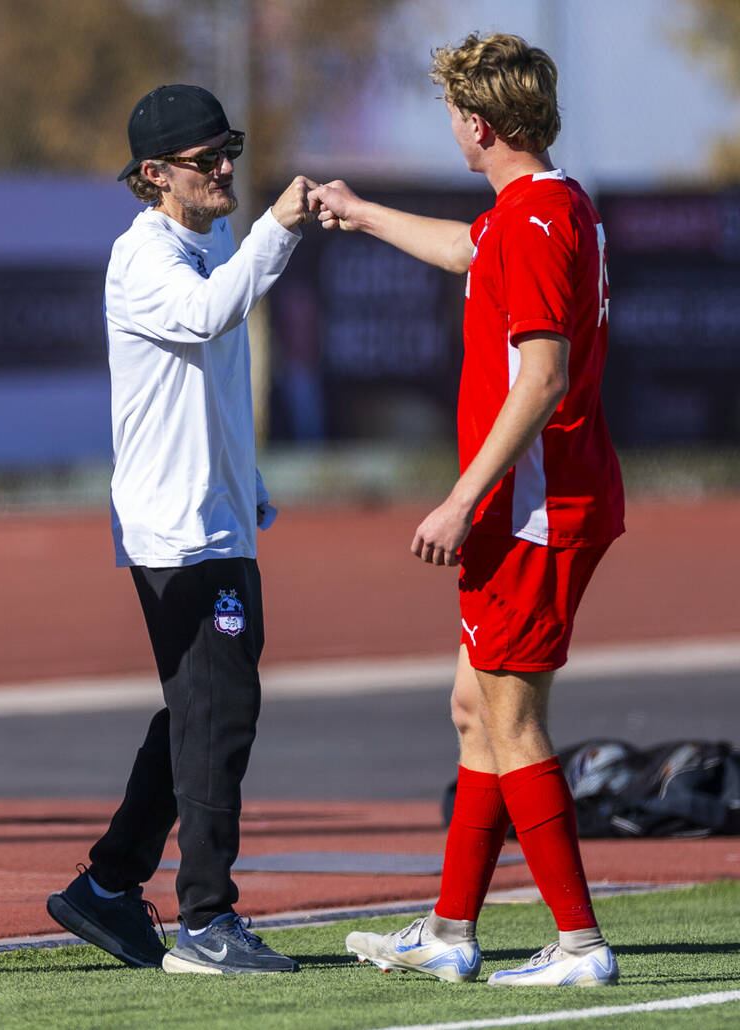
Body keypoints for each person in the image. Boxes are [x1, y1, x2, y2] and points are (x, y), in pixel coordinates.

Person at [310, 32, 625, 987]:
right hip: (534, 502)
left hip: (531, 507)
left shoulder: (531, 226)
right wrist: (361, 214)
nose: (450, 126)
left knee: (512, 721)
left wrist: (461, 497)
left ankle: (579, 945)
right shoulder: (545, 204)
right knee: (473, 709)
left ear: (479, 125)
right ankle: (448, 933)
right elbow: (463, 248)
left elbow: (541, 378)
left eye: (453, 113)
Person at [45, 84, 315, 975]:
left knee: (205, 710)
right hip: (175, 535)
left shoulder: (216, 237)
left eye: (229, 150)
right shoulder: (143, 258)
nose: (226, 169)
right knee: (218, 712)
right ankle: (205, 920)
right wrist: (279, 227)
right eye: (207, 160)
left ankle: (110, 884)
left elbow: (216, 382)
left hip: (220, 517)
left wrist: (249, 482)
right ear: (155, 175)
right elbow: (209, 315)